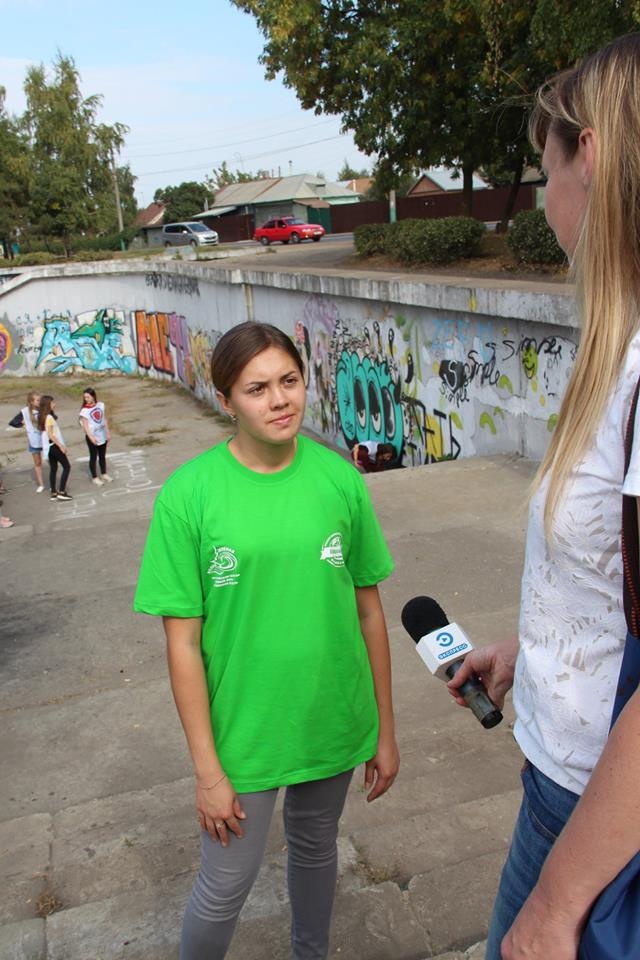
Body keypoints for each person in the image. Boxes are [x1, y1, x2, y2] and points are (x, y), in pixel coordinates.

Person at [448, 33, 640, 960]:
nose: (542, 195)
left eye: (544, 167)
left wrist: (557, 906)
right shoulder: (618, 346)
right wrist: (534, 654)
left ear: (589, 155)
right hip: (566, 784)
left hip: (598, 823)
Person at [134, 320, 399, 960]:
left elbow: (369, 613)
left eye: (290, 380)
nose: (280, 400)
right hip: (243, 734)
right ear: (226, 400)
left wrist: (384, 730)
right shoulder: (188, 495)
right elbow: (182, 645)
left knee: (316, 848)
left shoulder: (340, 479)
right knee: (224, 884)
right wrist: (207, 771)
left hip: (330, 717)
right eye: (257, 389)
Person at [39, 395, 72, 502]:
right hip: (54, 447)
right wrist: (61, 446)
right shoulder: (49, 417)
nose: (55, 404)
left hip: (49, 448)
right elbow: (50, 435)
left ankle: (53, 492)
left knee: (53, 469)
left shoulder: (43, 416)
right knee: (67, 467)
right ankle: (62, 491)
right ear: (48, 405)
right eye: (52, 403)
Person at [78, 387, 112, 486]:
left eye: (88, 397)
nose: (86, 399)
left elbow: (104, 419)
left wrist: (107, 432)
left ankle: (104, 473)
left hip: (102, 434)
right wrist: (91, 437)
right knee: (93, 457)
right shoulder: (84, 411)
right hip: (92, 436)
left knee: (102, 455)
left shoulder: (100, 405)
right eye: (85, 397)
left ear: (93, 396)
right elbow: (85, 426)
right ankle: (94, 477)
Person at [21, 391, 45, 492]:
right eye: (37, 400)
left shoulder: (43, 409)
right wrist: (25, 426)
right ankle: (41, 484)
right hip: (34, 439)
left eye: (40, 400)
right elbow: (14, 422)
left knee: (51, 459)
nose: (40, 402)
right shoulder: (25, 411)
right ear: (31, 401)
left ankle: (54, 482)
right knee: (37, 462)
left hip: (45, 438)